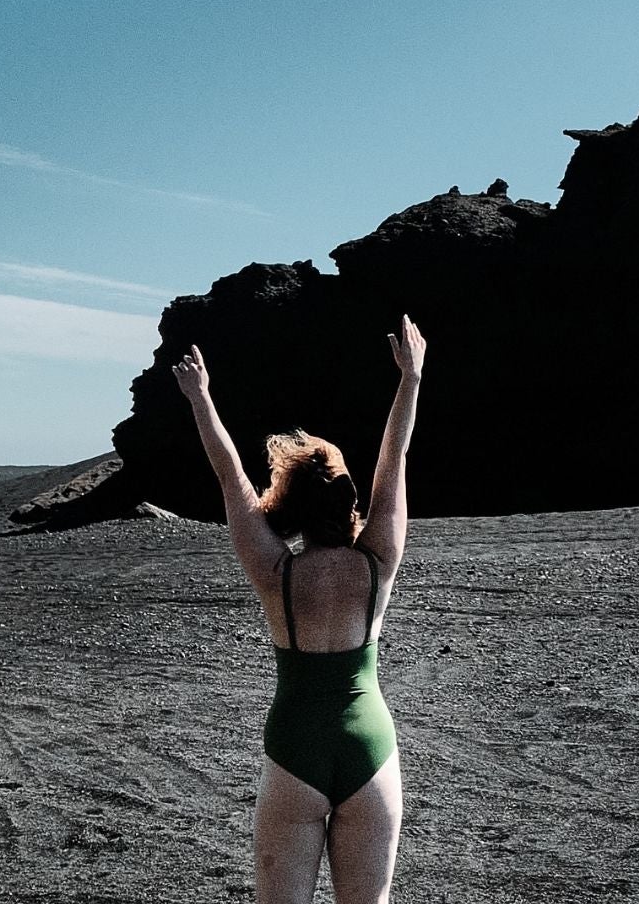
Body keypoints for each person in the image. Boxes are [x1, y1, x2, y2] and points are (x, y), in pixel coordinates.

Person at [171, 315, 426, 904]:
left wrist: (201, 399)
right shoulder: (377, 560)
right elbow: (396, 460)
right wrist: (410, 379)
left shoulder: (274, 570)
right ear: (347, 496)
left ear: (287, 503)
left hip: (295, 747)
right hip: (369, 744)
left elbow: (229, 476)